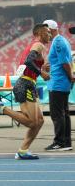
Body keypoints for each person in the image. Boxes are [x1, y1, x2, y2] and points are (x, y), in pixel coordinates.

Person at [0, 23, 51, 160]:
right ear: (39, 33)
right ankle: (1, 108)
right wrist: (42, 73)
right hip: (25, 84)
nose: (49, 35)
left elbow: (29, 64)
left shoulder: (36, 46)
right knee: (32, 122)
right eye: (47, 32)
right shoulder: (38, 45)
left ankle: (23, 150)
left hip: (28, 83)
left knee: (39, 121)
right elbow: (28, 61)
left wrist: (42, 70)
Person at [43, 20, 73, 151]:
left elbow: (65, 62)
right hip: (60, 81)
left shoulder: (59, 42)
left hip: (58, 82)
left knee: (57, 114)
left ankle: (60, 142)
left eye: (45, 31)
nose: (44, 34)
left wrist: (70, 76)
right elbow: (62, 61)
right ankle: (66, 142)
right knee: (64, 113)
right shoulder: (60, 40)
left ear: (50, 29)